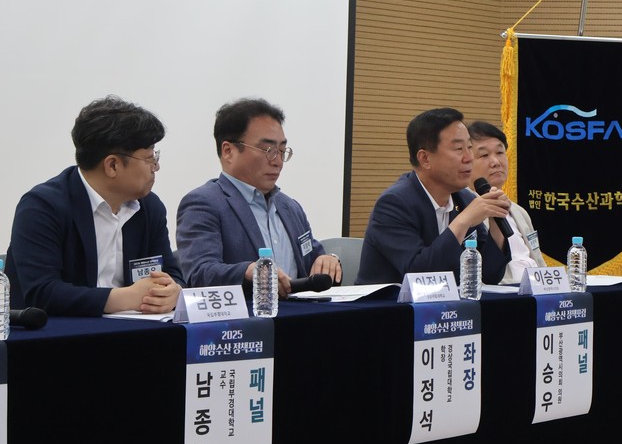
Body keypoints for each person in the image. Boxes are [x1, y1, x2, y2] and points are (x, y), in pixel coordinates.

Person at [5, 95, 184, 317]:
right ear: (112, 165)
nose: (155, 167)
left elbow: (170, 272)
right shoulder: (42, 207)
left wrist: (173, 292)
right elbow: (42, 292)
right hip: (57, 333)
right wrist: (126, 297)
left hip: (135, 331)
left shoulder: (149, 207)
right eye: (149, 159)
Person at [176, 98, 341, 299]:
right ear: (228, 151)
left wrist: (328, 260)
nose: (278, 161)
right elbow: (200, 274)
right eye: (268, 150)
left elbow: (312, 258)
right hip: (246, 316)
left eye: (282, 151)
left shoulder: (289, 207)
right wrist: (248, 272)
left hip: (300, 313)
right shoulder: (203, 204)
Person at [356, 107, 511, 285]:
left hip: (448, 302)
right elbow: (421, 275)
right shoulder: (394, 204)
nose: (469, 158)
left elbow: (489, 275)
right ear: (425, 159)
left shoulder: (464, 199)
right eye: (459, 149)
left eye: (469, 147)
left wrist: (496, 223)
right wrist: (464, 221)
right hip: (390, 302)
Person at [468, 121, 546, 283]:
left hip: (538, 289)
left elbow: (537, 258)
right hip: (502, 292)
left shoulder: (519, 211)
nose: (496, 162)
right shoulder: (463, 209)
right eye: (484, 155)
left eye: (500, 152)